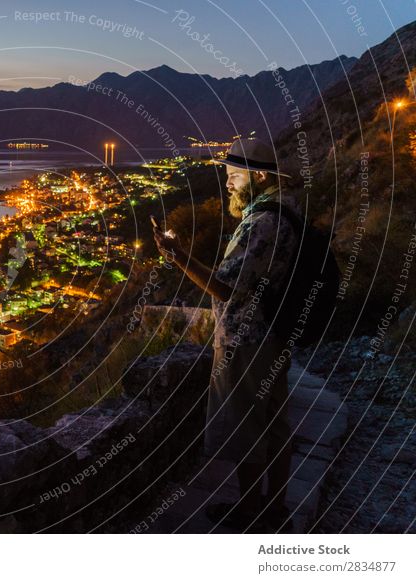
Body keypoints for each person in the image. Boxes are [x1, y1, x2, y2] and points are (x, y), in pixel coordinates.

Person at [153, 138, 299, 532]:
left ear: (261, 176)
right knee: (273, 422)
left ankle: (252, 515)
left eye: (234, 176)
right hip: (274, 334)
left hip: (249, 340)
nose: (228, 185)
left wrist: (177, 255)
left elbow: (227, 289)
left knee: (248, 426)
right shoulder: (286, 212)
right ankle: (274, 506)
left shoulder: (263, 222)